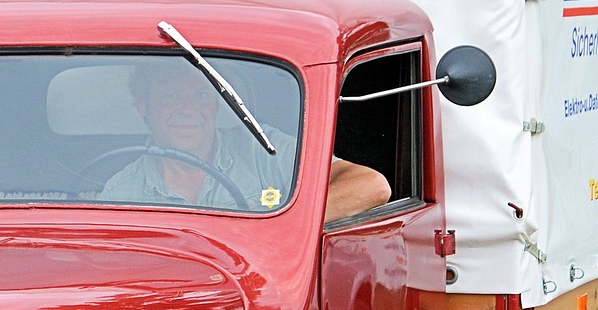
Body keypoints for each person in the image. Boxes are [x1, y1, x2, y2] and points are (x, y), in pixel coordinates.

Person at [99, 64, 390, 219]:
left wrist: (281, 224)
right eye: (171, 96)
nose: (188, 109)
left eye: (200, 95)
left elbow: (372, 186)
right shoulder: (120, 192)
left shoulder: (262, 149)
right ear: (143, 106)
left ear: (215, 103)